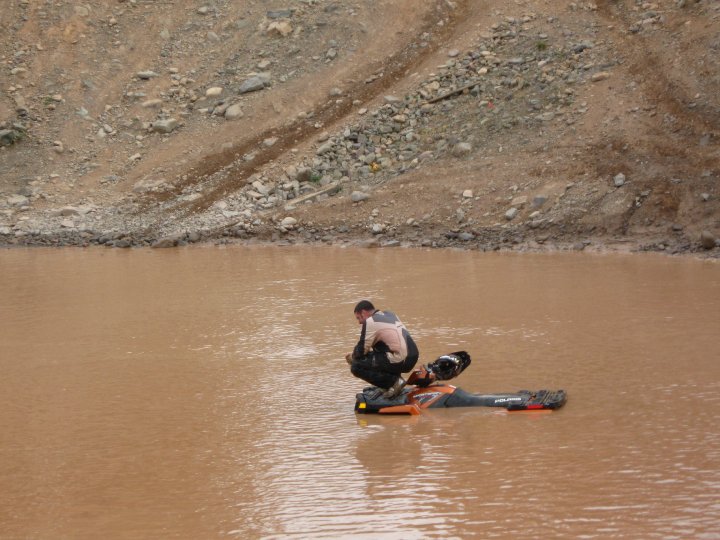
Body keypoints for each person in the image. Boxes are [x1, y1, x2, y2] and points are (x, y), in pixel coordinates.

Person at [346, 300, 419, 398]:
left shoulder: (370, 321)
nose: (359, 322)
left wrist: (352, 357)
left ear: (363, 313)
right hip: (412, 356)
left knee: (356, 366)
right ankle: (389, 384)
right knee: (379, 349)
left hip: (400, 359)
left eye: (358, 318)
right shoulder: (390, 314)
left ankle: (395, 382)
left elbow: (361, 350)